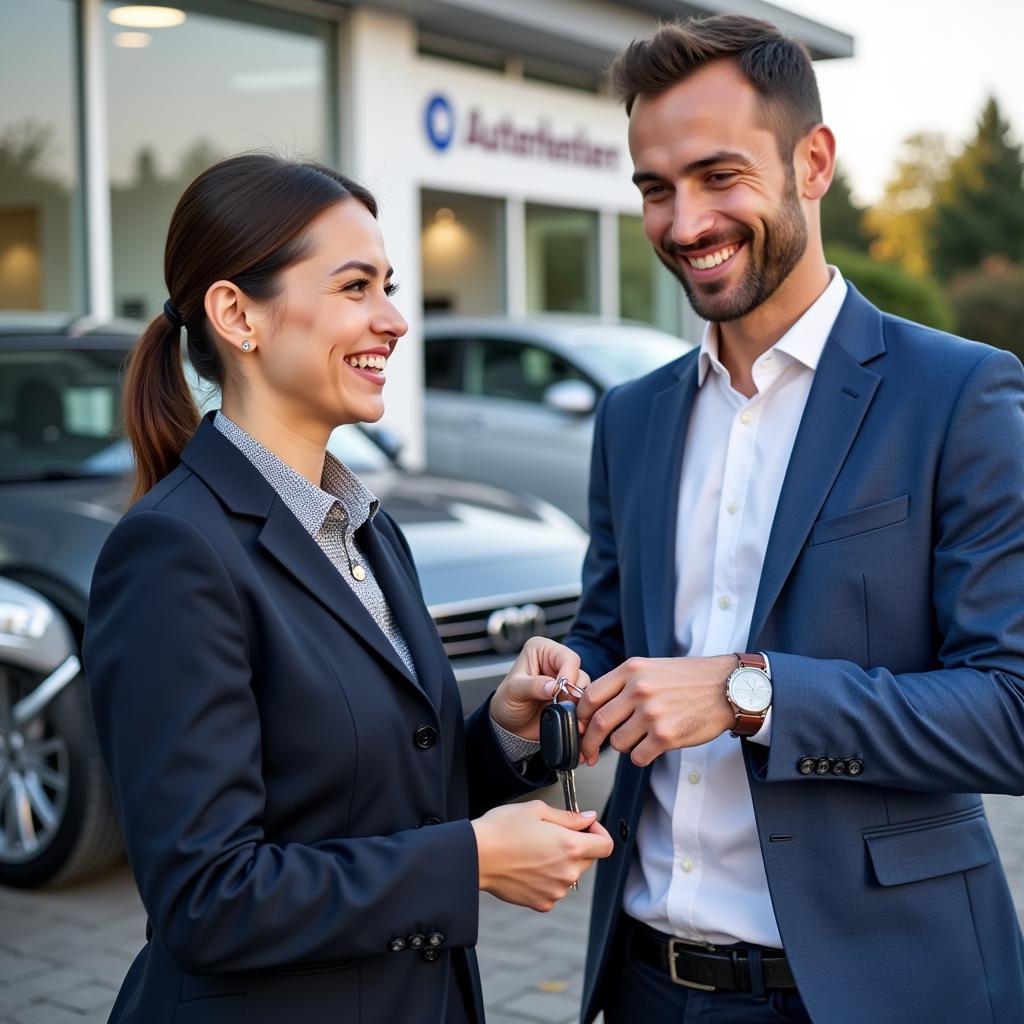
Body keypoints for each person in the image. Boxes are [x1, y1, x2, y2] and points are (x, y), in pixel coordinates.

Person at [564, 15, 1024, 1024]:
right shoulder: (631, 417)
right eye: (655, 188)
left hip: (872, 988)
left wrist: (743, 694)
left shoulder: (961, 397)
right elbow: (612, 639)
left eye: (717, 176)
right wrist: (558, 686)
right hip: (643, 983)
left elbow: (1010, 710)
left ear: (811, 161)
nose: (684, 222)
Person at [83, 154, 613, 1024]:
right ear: (237, 315)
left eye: (389, 286)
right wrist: (471, 861)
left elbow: (368, 793)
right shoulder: (173, 553)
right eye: (356, 287)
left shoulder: (365, 523)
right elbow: (205, 897)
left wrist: (501, 740)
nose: (395, 320)